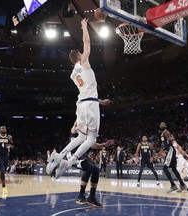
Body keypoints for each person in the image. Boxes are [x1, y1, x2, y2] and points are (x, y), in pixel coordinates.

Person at [46, 18, 110, 179]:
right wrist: (84, 27)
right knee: (91, 138)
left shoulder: (73, 74)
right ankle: (69, 163)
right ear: (79, 56)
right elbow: (87, 42)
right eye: (82, 53)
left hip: (82, 105)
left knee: (81, 136)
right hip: (89, 105)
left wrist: (100, 101)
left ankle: (59, 156)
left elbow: (87, 90)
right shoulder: (84, 63)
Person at [66, 121, 115, 207]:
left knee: (96, 170)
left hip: (81, 156)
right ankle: (81, 195)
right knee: (89, 167)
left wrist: (105, 144)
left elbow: (95, 145)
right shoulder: (74, 130)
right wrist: (84, 113)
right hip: (72, 155)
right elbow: (76, 122)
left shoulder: (86, 137)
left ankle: (92, 197)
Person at [159, 122, 188, 193]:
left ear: (165, 126)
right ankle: (182, 185)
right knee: (174, 169)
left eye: (163, 124)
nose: (161, 125)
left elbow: (170, 142)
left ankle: (173, 185)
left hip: (170, 150)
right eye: (160, 124)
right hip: (170, 151)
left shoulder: (166, 132)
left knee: (165, 168)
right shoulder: (163, 133)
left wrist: (163, 150)